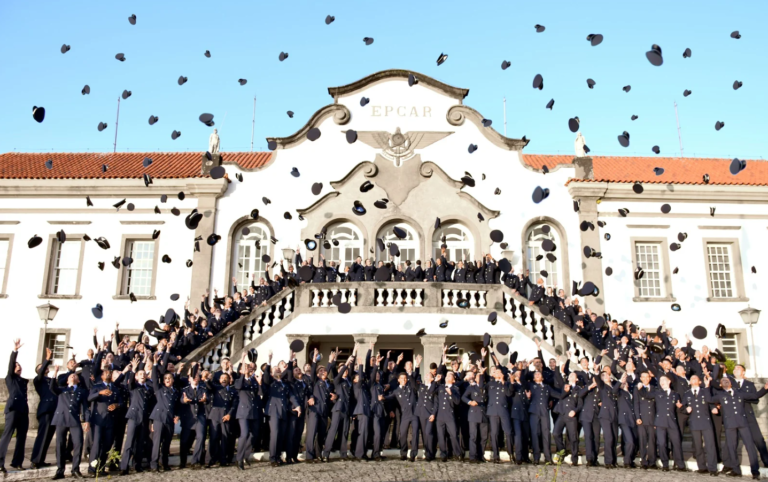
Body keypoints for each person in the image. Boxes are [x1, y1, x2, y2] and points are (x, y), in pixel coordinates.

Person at [704, 374, 768, 478]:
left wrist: (765, 389)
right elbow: (709, 399)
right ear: (720, 385)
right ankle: (736, 470)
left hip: (743, 423)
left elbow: (755, 396)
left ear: (730, 383)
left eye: (727, 380)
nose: (725, 381)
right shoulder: (720, 395)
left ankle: (755, 471)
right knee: (732, 447)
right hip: (730, 425)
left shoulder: (740, 393)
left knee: (750, 447)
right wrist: (707, 387)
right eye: (722, 380)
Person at [637, 375, 687, 472]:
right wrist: (640, 388)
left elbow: (680, 408)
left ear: (669, 381)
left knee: (676, 443)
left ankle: (680, 465)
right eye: (660, 381)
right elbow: (646, 395)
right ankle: (665, 464)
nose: (661, 382)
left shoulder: (675, 394)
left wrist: (683, 408)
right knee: (662, 443)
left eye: (664, 380)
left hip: (672, 422)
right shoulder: (657, 393)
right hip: (660, 422)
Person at [49, 365, 88, 480]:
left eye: (74, 375)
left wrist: (87, 420)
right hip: (60, 419)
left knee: (78, 443)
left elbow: (85, 407)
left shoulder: (82, 391)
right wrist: (55, 373)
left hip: (74, 419)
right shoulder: (62, 389)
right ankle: (60, 470)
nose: (72, 376)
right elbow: (52, 387)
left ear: (78, 379)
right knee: (60, 445)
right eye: (70, 376)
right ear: (67, 380)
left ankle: (75, 469)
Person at [262, 351, 301, 467]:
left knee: (282, 435)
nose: (277, 370)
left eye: (278, 369)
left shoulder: (284, 383)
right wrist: (269, 361)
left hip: (284, 411)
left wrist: (297, 405)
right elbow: (266, 377)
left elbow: (291, 396)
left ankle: (278, 456)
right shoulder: (270, 382)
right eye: (275, 369)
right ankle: (273, 458)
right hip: (273, 411)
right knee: (275, 434)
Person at [120, 353, 153, 474]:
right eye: (140, 374)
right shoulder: (133, 386)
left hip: (144, 418)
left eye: (144, 374)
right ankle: (124, 467)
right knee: (129, 442)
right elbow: (129, 384)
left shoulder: (148, 389)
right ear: (137, 377)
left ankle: (137, 465)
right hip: (133, 417)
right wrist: (134, 370)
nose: (143, 375)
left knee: (140, 442)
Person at [0, 339, 30, 473]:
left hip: (23, 411)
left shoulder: (23, 381)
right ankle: (0, 463)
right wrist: (15, 351)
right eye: (16, 365)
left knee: (22, 437)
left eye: (20, 365)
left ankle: (17, 462)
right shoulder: (10, 378)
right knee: (7, 436)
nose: (19, 366)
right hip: (12, 410)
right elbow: (11, 364)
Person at [149, 355, 180, 472]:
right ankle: (154, 464)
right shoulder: (160, 389)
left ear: (172, 380)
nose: (167, 380)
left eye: (169, 378)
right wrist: (155, 364)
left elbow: (176, 405)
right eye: (166, 378)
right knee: (157, 443)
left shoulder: (175, 392)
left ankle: (164, 463)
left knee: (167, 443)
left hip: (169, 419)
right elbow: (154, 379)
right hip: (159, 418)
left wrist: (177, 415)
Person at [682, 374, 717, 475]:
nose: (693, 379)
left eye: (695, 378)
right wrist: (685, 409)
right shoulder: (687, 393)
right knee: (698, 446)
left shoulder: (705, 391)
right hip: (694, 422)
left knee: (710, 445)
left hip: (705, 422)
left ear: (699, 381)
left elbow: (710, 401)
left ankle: (712, 468)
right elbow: (683, 406)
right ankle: (701, 467)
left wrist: (713, 408)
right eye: (691, 378)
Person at [233, 353, 261, 470]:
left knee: (253, 435)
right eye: (246, 367)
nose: (249, 369)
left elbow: (259, 393)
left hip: (254, 412)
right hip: (243, 412)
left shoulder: (254, 380)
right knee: (244, 434)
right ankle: (239, 459)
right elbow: (239, 386)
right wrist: (243, 359)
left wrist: (259, 384)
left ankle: (245, 455)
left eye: (250, 367)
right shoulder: (240, 380)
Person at [31, 348, 57, 469]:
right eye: (41, 367)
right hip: (45, 410)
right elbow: (41, 373)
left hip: (54, 410)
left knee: (49, 436)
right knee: (43, 435)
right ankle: (35, 460)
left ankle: (41, 459)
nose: (45, 368)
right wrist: (47, 359)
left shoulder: (51, 380)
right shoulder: (38, 380)